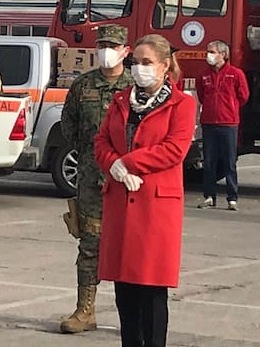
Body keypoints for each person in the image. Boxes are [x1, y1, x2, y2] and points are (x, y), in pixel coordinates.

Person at [95, 34, 197, 347]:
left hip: (155, 208)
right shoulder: (122, 99)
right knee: (124, 291)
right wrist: (113, 165)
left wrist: (128, 163)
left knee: (151, 291)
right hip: (121, 203)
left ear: (165, 66)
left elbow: (174, 149)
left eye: (146, 63)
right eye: (135, 62)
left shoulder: (182, 103)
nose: (139, 69)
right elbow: (101, 141)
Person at [60, 24, 134, 334]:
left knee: (130, 247)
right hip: (91, 181)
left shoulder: (135, 88)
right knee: (90, 245)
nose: (106, 50)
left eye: (113, 45)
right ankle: (85, 310)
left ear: (125, 51)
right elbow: (69, 127)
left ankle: (133, 315)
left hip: (128, 181)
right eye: (102, 44)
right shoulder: (82, 85)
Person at [195, 40, 249, 211]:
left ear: (223, 55)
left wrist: (229, 108)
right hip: (209, 123)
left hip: (229, 124)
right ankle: (209, 196)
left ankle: (232, 198)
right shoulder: (203, 75)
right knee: (209, 162)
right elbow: (202, 95)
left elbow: (243, 96)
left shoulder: (236, 74)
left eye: (212, 52)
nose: (208, 55)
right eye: (208, 51)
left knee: (229, 162)